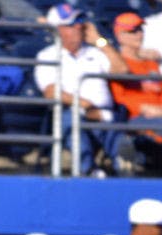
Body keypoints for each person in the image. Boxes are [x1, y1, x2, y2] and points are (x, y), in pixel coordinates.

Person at [33, 3, 128, 177]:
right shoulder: (47, 55)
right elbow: (51, 92)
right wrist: (85, 104)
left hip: (105, 114)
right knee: (69, 119)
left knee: (119, 133)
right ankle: (88, 170)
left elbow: (122, 71)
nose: (79, 26)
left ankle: (125, 171)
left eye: (80, 22)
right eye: (71, 24)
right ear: (57, 30)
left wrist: (100, 41)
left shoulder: (96, 52)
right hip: (75, 110)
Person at [108, 12, 162, 179]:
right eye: (132, 31)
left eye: (140, 29)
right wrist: (142, 108)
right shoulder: (118, 64)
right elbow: (120, 97)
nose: (139, 34)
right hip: (135, 119)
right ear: (120, 36)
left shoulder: (151, 62)